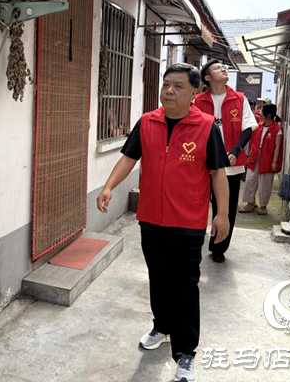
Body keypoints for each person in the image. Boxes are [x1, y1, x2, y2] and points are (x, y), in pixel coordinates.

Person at [96, 63, 230, 382]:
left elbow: (218, 173)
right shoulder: (147, 122)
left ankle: (185, 353)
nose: (169, 91)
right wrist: (109, 186)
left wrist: (222, 214)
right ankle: (162, 326)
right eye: (166, 84)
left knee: (184, 286)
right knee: (157, 278)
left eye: (178, 86)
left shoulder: (207, 127)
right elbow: (129, 158)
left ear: (195, 92)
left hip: (188, 223)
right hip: (151, 219)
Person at [195, 60, 258, 263]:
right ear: (207, 77)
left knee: (226, 208)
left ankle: (219, 247)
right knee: (197, 203)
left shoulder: (239, 98)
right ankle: (194, 240)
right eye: (217, 68)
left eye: (224, 66)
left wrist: (236, 150)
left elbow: (247, 128)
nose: (223, 68)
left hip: (232, 163)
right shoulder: (198, 101)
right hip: (202, 163)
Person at [240, 104, 283, 215]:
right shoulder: (258, 127)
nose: (259, 113)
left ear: (268, 114)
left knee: (265, 183)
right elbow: (253, 143)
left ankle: (263, 206)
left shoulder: (277, 129)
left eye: (262, 111)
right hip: (255, 158)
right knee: (250, 180)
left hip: (268, 159)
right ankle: (250, 203)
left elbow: (277, 146)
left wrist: (274, 162)